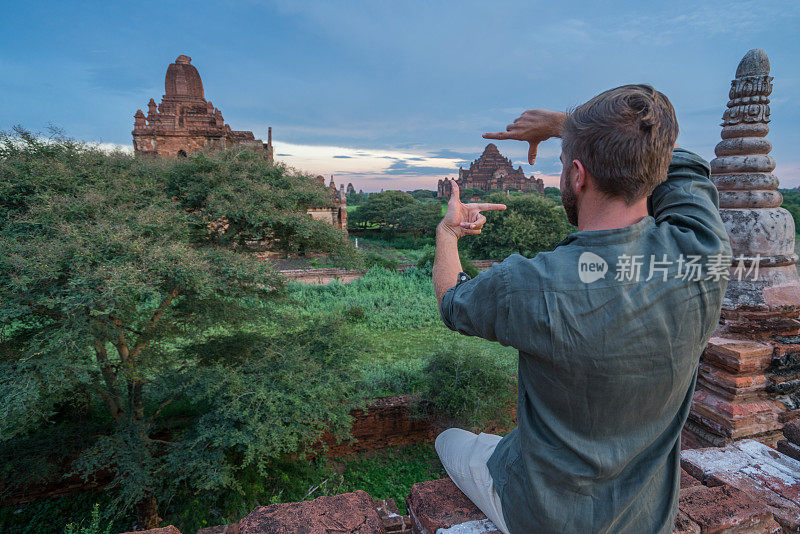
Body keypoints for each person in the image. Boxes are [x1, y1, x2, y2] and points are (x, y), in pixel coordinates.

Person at [432, 84, 731, 533]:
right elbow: (681, 164)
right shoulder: (704, 253)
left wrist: (448, 233)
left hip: (548, 516)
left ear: (577, 175)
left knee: (449, 440)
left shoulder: (528, 284)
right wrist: (568, 127)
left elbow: (452, 301)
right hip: (650, 517)